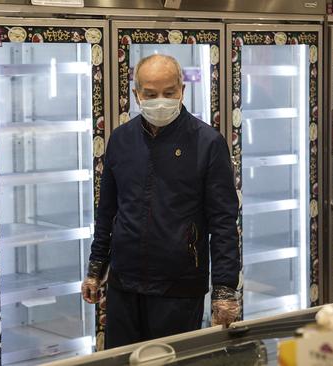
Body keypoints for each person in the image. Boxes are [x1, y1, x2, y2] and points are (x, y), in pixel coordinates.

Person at [81, 54, 241, 349]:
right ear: (136, 94)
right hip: (124, 281)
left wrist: (225, 288)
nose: (160, 100)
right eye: (151, 94)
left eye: (169, 92)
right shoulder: (121, 139)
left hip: (178, 285)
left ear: (182, 90)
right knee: (121, 359)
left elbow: (223, 221)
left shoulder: (207, 143)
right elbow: (107, 210)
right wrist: (96, 267)